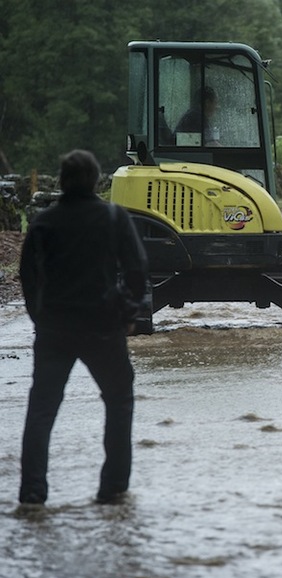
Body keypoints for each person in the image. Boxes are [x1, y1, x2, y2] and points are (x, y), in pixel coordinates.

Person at [18, 149, 148, 506]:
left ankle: (32, 493)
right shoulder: (112, 217)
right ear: (96, 181)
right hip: (103, 325)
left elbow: (27, 276)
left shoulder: (44, 222)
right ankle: (113, 489)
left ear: (62, 181)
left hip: (54, 328)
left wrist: (38, 316)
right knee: (119, 401)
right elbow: (137, 272)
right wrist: (128, 315)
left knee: (42, 409)